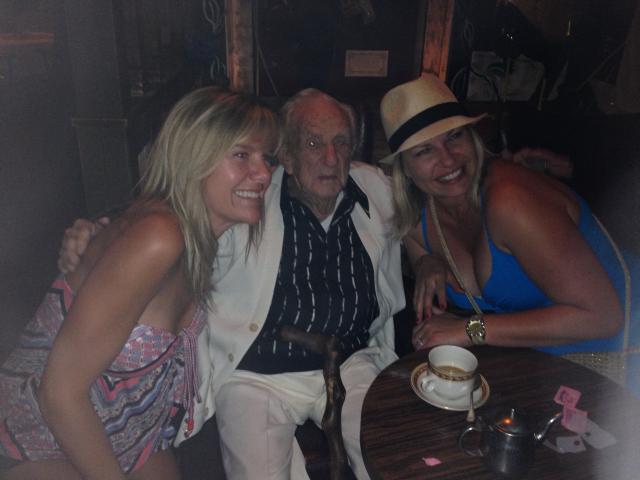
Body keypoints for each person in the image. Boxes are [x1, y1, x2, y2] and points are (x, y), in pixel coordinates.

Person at [56, 88, 404, 480]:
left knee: (396, 460)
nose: (330, 157)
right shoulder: (247, 202)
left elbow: (422, 214)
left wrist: (428, 262)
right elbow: (174, 204)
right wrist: (96, 232)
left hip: (352, 362)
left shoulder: (375, 188)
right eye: (312, 143)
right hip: (257, 373)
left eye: (340, 143)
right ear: (287, 156)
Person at [0, 87, 280, 480]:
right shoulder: (159, 236)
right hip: (36, 434)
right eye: (241, 155)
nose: (264, 173)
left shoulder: (203, 237)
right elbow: (59, 394)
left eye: (267, 157)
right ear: (192, 157)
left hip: (130, 433)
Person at [379, 74, 629, 359]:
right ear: (405, 169)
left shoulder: (509, 200)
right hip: (540, 365)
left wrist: (470, 329)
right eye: (425, 151)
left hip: (619, 357)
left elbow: (604, 317)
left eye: (455, 136)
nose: (448, 159)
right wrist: (427, 262)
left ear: (472, 137)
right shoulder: (417, 221)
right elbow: (429, 276)